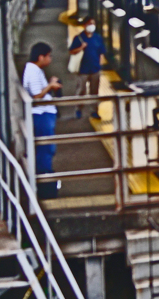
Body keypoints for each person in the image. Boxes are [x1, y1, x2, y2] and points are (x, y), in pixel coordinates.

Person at [23, 42, 61, 199]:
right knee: (45, 150)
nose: (51, 59)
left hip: (43, 115)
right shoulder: (33, 71)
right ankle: (46, 185)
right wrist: (51, 85)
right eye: (49, 56)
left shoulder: (34, 69)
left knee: (45, 149)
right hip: (42, 115)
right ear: (41, 57)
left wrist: (50, 83)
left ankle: (46, 182)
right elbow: (37, 95)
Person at [69, 17, 106, 120]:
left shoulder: (98, 38)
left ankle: (94, 111)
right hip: (82, 69)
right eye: (89, 23)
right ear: (84, 25)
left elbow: (101, 51)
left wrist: (100, 64)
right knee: (81, 90)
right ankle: (78, 109)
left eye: (93, 23)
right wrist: (81, 47)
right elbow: (71, 51)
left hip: (95, 69)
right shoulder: (79, 38)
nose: (91, 26)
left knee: (95, 91)